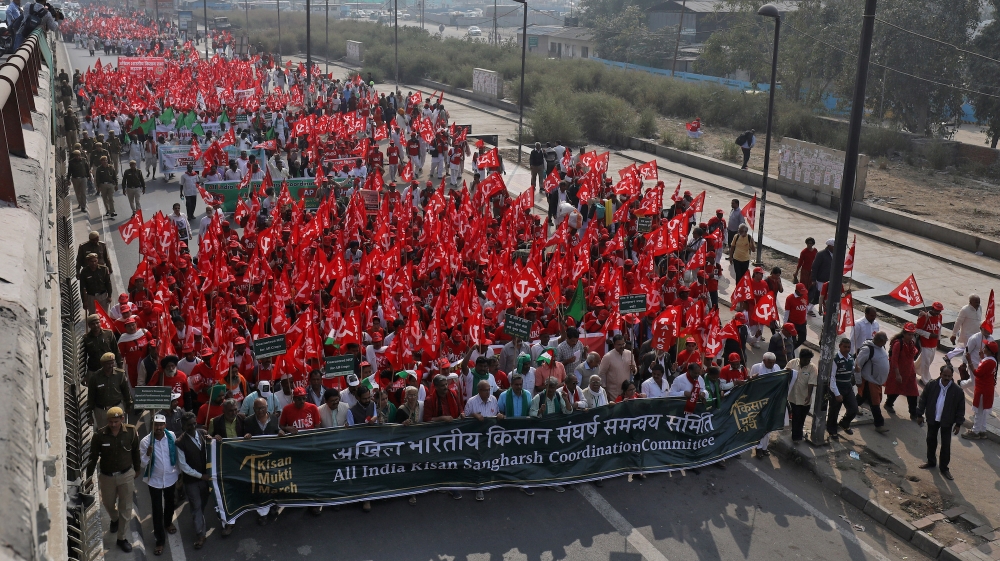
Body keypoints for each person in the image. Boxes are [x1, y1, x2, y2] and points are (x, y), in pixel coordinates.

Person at [86, 407, 140, 552]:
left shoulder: (130, 431)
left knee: (126, 507)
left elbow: (136, 451)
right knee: (107, 503)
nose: (113, 424)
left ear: (122, 419)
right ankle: (115, 518)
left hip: (126, 474)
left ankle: (121, 538)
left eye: (116, 421)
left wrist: (137, 469)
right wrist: (89, 477)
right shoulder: (100, 435)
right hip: (107, 476)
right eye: (111, 421)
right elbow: (93, 457)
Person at [915, 363, 965, 480]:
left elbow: (960, 408)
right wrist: (919, 414)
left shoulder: (957, 391)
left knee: (946, 445)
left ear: (952, 376)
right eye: (945, 375)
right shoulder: (932, 385)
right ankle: (931, 462)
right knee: (931, 440)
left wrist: (958, 424)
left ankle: (944, 468)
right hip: (933, 418)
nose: (947, 378)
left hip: (947, 421)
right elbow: (923, 400)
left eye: (949, 376)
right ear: (940, 374)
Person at [139, 414, 179, 556]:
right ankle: (160, 541)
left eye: (161, 425)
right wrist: (148, 454)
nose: (159, 428)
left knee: (170, 502)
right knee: (156, 510)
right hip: (154, 480)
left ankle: (168, 522)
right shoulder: (145, 442)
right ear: (152, 426)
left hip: (170, 477)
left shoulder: (171, 436)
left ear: (165, 426)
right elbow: (142, 463)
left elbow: (176, 454)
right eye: (156, 425)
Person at [175, 412, 215, 545]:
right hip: (192, 481)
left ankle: (199, 520)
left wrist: (214, 440)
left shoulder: (203, 433)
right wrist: (201, 476)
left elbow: (213, 449)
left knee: (203, 503)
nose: (192, 426)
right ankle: (200, 534)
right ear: (184, 427)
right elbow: (183, 466)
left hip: (206, 478)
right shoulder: (180, 442)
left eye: (194, 423)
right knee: (196, 505)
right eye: (189, 425)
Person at [961, 340, 997, 439]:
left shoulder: (988, 362)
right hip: (987, 389)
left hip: (983, 390)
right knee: (983, 411)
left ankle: (975, 431)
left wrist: (969, 361)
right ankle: (982, 430)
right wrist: (982, 357)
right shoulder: (992, 360)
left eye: (985, 347)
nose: (983, 348)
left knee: (979, 411)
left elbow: (977, 373)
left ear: (989, 351)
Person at [855, 332, 891, 434]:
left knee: (861, 397)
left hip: (877, 382)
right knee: (875, 403)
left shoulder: (881, 347)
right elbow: (857, 365)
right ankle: (879, 425)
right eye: (884, 341)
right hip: (870, 381)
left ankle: (852, 408)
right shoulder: (867, 350)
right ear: (880, 341)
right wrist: (858, 380)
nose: (885, 343)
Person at [884, 323, 920, 418]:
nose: (911, 336)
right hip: (899, 372)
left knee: (913, 392)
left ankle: (913, 413)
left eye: (912, 334)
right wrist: (897, 374)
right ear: (904, 333)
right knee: (896, 390)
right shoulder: (898, 344)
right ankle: (888, 404)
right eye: (909, 334)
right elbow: (894, 360)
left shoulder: (911, 344)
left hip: (909, 372)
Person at [88, 352, 132, 429]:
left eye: (112, 363)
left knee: (120, 431)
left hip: (117, 407)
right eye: (108, 364)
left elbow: (126, 391)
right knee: (104, 434)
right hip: (102, 411)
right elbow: (91, 397)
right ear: (103, 364)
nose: (111, 366)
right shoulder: (95, 377)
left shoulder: (120, 374)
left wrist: (128, 405)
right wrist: (89, 415)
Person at [749, 353, 781, 456]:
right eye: (769, 362)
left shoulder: (776, 368)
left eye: (773, 362)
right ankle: (758, 448)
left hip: (771, 401)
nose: (772, 364)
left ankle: (764, 447)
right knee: (761, 424)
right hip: (760, 400)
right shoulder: (756, 367)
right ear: (764, 360)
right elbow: (750, 383)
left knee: (768, 425)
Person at [826, 338, 857, 440]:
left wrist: (855, 369)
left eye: (849, 347)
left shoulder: (851, 358)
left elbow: (850, 369)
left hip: (847, 386)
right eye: (845, 347)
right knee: (834, 411)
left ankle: (844, 423)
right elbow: (832, 378)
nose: (847, 349)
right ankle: (831, 430)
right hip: (837, 387)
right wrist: (837, 393)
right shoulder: (835, 359)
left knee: (854, 408)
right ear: (840, 346)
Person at [786, 348, 817, 442]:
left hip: (805, 399)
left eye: (809, 360)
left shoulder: (812, 368)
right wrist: (787, 371)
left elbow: (811, 382)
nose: (807, 362)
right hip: (793, 397)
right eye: (806, 360)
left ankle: (798, 433)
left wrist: (808, 395)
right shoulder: (792, 363)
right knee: (796, 416)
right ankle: (796, 437)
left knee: (802, 418)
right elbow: (785, 374)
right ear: (800, 358)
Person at [599, 334, 636, 401]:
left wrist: (634, 369)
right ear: (614, 345)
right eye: (619, 345)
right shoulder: (608, 357)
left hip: (626, 391)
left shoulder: (629, 354)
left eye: (623, 344)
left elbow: (634, 371)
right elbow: (602, 373)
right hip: (613, 392)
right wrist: (604, 389)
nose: (622, 346)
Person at [914, 302, 944, 385]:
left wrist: (938, 340)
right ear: (932, 308)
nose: (938, 313)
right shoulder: (924, 316)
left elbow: (939, 329)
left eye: (939, 311)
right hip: (925, 342)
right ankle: (925, 380)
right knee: (926, 362)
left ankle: (913, 367)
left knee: (928, 360)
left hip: (933, 343)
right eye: (937, 310)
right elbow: (917, 330)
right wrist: (929, 335)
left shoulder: (939, 317)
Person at [82, 314, 120, 380]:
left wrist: (120, 368)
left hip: (110, 369)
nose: (96, 325)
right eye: (93, 324)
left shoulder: (109, 334)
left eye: (97, 323)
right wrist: (83, 375)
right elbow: (83, 357)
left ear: (100, 322)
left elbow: (116, 351)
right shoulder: (86, 338)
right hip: (94, 370)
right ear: (89, 325)